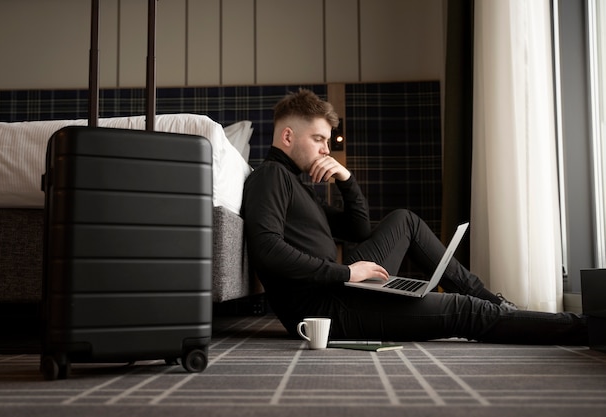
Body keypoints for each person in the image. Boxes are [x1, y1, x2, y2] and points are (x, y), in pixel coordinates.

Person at [241, 88, 588, 346]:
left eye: (327, 141)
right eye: (319, 139)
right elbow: (266, 249)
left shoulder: (296, 186)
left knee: (404, 220)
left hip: (338, 286)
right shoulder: (269, 177)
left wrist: (347, 181)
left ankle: (495, 301)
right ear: (288, 136)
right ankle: (583, 327)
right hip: (326, 307)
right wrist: (347, 272)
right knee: (466, 313)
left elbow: (357, 229)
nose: (325, 150)